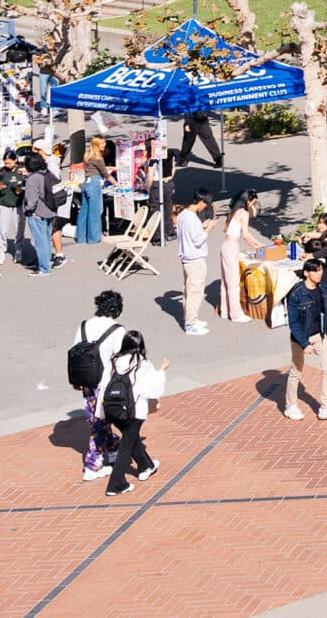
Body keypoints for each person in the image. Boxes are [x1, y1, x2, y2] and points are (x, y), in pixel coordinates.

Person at [72, 290, 131, 480]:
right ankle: (92, 465)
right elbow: (122, 360)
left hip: (88, 381)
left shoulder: (85, 325)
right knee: (99, 422)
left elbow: (75, 351)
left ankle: (113, 448)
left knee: (100, 418)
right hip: (106, 383)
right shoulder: (117, 330)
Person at [100, 329, 167, 496]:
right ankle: (116, 484)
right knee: (126, 446)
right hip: (133, 411)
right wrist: (163, 370)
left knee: (132, 438)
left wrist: (101, 412)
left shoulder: (114, 361)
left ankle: (146, 466)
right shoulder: (142, 364)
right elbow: (153, 389)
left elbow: (103, 386)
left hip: (113, 409)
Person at [282, 255, 327, 421]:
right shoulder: (296, 293)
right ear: (306, 273)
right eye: (315, 272)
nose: (319, 274)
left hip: (320, 335)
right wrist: (304, 343)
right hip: (301, 338)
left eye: (320, 271)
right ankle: (290, 406)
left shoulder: (322, 288)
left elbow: (321, 306)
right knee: (296, 371)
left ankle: (326, 407)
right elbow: (293, 322)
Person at [219, 191, 260, 321]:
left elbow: (242, 232)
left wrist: (257, 243)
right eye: (253, 202)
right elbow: (246, 236)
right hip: (231, 247)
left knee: (226, 280)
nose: (253, 205)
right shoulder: (244, 213)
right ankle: (235, 313)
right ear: (248, 201)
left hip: (225, 245)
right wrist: (257, 247)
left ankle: (225, 310)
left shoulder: (234, 211)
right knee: (233, 281)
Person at [175, 190, 212, 333]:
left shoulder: (183, 215)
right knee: (195, 292)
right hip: (195, 259)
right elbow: (198, 240)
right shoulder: (192, 218)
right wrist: (208, 229)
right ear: (201, 202)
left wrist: (202, 227)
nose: (205, 207)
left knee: (188, 291)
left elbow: (187, 233)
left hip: (186, 257)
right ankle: (190, 324)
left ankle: (191, 318)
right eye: (206, 204)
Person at [21, 149, 62, 276]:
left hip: (37, 213)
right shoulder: (47, 173)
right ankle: (44, 263)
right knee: (46, 239)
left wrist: (27, 210)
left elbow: (31, 200)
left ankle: (44, 268)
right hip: (50, 210)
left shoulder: (33, 179)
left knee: (41, 241)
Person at [0, 147, 25, 262]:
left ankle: (18, 250)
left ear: (15, 160)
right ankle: (1, 251)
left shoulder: (22, 171)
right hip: (4, 203)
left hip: (19, 204)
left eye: (9, 162)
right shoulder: (2, 172)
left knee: (19, 229)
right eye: (5, 163)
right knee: (2, 229)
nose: (7, 165)